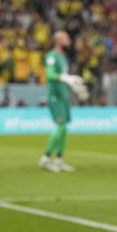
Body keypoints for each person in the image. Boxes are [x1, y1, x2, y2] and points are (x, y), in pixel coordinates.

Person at [38, 30, 85, 173]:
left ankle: (59, 160)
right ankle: (45, 158)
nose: (69, 42)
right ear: (58, 41)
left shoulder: (62, 58)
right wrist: (68, 79)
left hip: (64, 96)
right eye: (66, 39)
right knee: (60, 126)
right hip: (55, 97)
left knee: (64, 128)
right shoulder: (51, 57)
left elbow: (62, 77)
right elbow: (50, 74)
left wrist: (73, 84)